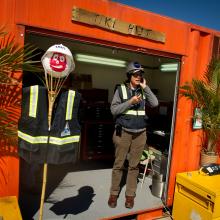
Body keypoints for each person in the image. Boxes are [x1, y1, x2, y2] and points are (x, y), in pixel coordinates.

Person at [108, 61, 158, 209]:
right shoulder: (121, 90)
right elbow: (114, 110)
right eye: (135, 74)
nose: (138, 76)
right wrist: (130, 102)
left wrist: (146, 87)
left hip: (140, 134)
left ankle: (130, 196)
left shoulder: (143, 90)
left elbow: (154, 103)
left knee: (134, 166)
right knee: (119, 164)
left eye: (140, 74)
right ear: (129, 75)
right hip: (123, 132)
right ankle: (114, 193)